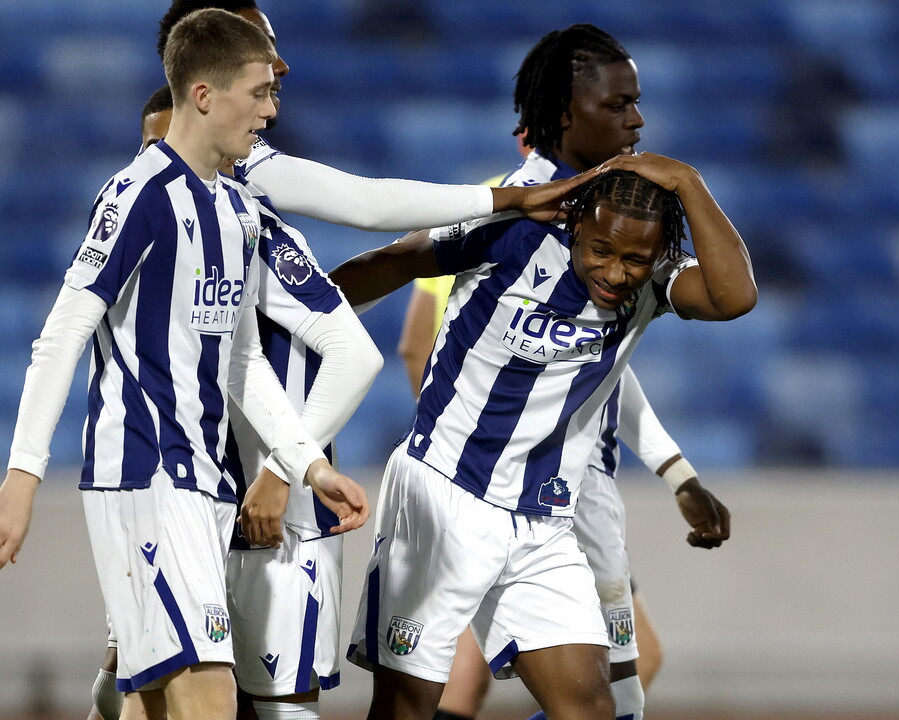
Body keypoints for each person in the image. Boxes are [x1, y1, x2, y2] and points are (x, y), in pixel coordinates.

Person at [0, 10, 370, 720]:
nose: (270, 111)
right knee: (209, 696)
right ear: (203, 95)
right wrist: (22, 476)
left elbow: (242, 362)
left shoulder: (237, 212)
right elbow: (62, 335)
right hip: (145, 475)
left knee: (154, 705)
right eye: (258, 93)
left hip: (205, 485)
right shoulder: (138, 196)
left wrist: (307, 465)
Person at [330, 146, 756, 720]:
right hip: (444, 496)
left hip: (542, 521)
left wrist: (687, 179)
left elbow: (735, 297)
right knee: (408, 705)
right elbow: (396, 260)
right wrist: (293, 321)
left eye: (634, 259)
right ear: (578, 226)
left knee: (591, 707)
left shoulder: (655, 280)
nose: (615, 272)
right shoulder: (514, 233)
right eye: (601, 250)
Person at [396, 25, 726, 720]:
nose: (638, 121)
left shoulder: (630, 223)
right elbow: (417, 343)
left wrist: (676, 471)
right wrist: (472, 442)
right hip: (474, 488)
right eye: (620, 105)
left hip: (575, 488)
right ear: (562, 116)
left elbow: (603, 365)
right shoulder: (501, 213)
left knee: (618, 687)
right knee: (452, 686)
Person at [157, 0, 601, 237]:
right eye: (258, 50)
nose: (280, 66)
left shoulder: (227, 155)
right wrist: (514, 197)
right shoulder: (178, 168)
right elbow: (366, 204)